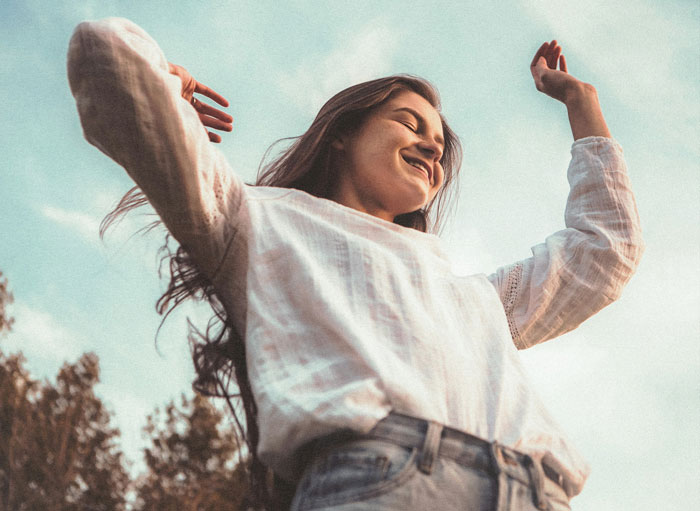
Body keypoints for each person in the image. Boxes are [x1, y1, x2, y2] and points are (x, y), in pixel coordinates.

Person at [67, 17, 643, 511]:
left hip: (537, 490)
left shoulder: (475, 299)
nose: (432, 148)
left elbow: (604, 251)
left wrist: (581, 102)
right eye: (410, 124)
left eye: (439, 145)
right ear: (344, 133)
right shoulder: (255, 221)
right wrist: (165, 85)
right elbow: (102, 54)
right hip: (380, 484)